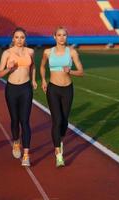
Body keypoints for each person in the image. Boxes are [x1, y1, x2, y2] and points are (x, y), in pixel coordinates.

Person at [40, 27, 84, 167]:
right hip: (53, 88)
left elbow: (81, 72)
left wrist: (69, 70)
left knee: (64, 122)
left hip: (67, 89)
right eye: (59, 35)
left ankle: (60, 140)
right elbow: (42, 66)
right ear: (54, 37)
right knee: (57, 120)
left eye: (64, 35)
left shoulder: (72, 52)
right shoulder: (48, 52)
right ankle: (58, 154)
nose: (61, 37)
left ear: (67, 36)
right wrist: (43, 80)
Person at [0, 27, 37, 167]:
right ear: (13, 39)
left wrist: (33, 80)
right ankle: (16, 142)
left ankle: (26, 154)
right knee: (15, 120)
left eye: (22, 37)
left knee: (25, 121)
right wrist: (10, 68)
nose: (19, 40)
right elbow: (0, 73)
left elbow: (33, 67)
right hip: (12, 89)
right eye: (17, 37)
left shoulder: (30, 51)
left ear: (25, 39)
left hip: (26, 88)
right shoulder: (7, 53)